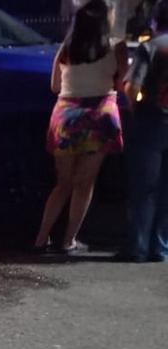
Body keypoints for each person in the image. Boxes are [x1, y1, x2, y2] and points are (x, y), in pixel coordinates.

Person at [34, 0, 127, 254]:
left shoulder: (66, 48)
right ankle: (68, 240)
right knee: (84, 183)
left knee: (62, 183)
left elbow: (55, 86)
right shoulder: (116, 47)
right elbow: (121, 85)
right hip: (99, 116)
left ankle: (41, 238)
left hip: (66, 116)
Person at [120, 0, 168, 262]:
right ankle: (161, 247)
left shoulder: (150, 47)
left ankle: (137, 247)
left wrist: (136, 108)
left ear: (156, 20)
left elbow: (131, 87)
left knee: (144, 189)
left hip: (151, 122)